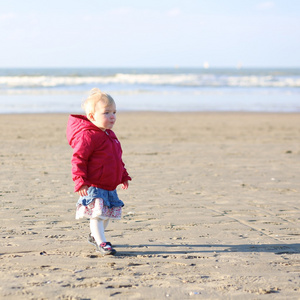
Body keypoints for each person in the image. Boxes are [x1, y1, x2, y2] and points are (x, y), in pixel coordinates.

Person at [66, 88, 131, 255]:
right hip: (94, 185)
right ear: (92, 116)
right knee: (98, 215)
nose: (112, 116)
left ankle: (96, 236)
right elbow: (78, 159)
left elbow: (116, 159)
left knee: (107, 214)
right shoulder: (88, 136)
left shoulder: (110, 135)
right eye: (106, 112)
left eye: (114, 112)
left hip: (109, 185)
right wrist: (80, 181)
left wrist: (123, 175)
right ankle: (101, 242)